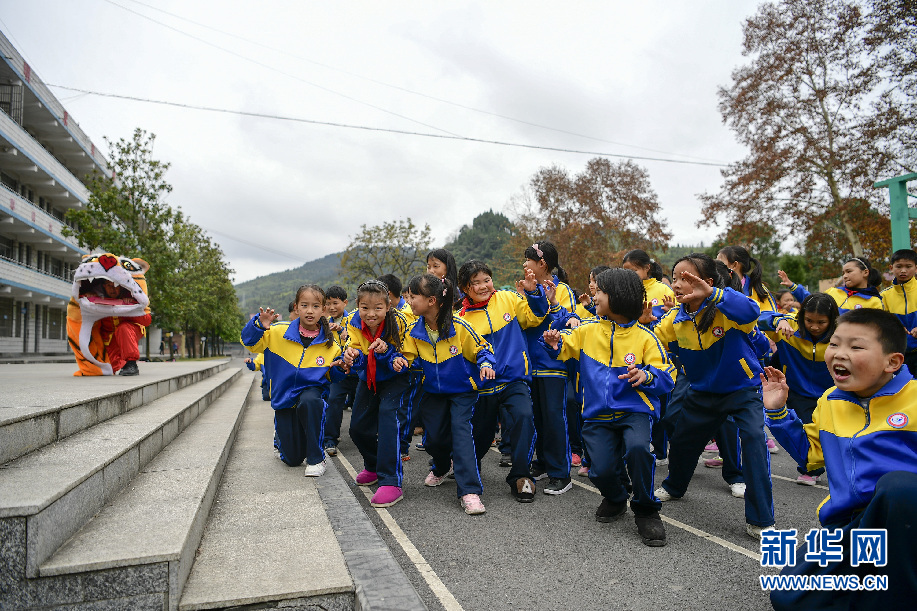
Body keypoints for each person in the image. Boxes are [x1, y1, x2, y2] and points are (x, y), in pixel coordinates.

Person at [763, 308, 917, 610]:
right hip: (850, 527)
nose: (839, 354)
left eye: (856, 346)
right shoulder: (830, 400)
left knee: (898, 487)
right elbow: (811, 459)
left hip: (904, 523)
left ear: (893, 361)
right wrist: (778, 413)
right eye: (834, 344)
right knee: (788, 597)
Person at [542, 268, 675, 546]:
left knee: (639, 451)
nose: (595, 294)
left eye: (600, 291)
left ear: (618, 297)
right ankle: (615, 496)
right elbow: (564, 346)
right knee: (599, 470)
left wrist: (646, 375)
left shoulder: (646, 337)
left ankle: (646, 510)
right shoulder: (587, 330)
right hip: (596, 415)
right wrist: (554, 344)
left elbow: (667, 374)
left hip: (634, 411)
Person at [652, 253, 775, 539]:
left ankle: (760, 519)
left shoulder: (727, 308)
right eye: (675, 278)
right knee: (682, 442)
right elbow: (654, 341)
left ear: (707, 282)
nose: (678, 284)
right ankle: (674, 486)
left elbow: (751, 312)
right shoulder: (676, 318)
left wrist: (716, 295)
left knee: (755, 445)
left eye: (686, 278)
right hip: (701, 393)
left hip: (742, 391)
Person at [394, 273, 496, 515]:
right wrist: (398, 360)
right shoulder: (413, 331)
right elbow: (406, 356)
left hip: (462, 392)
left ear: (431, 301)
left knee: (461, 435)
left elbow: (483, 348)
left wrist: (485, 364)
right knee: (434, 440)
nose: (409, 301)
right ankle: (441, 466)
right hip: (433, 393)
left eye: (414, 296)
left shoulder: (460, 327)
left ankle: (469, 491)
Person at [457, 260, 550, 502]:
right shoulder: (460, 319)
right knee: (479, 432)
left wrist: (533, 292)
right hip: (482, 386)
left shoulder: (508, 298)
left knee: (524, 417)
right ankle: (469, 470)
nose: (483, 286)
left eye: (486, 280)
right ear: (465, 288)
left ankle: (521, 476)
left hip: (514, 379)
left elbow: (536, 316)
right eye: (475, 283)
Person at [241, 285, 345, 476]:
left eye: (315, 306)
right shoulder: (277, 332)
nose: (310, 311)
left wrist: (342, 368)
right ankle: (282, 437)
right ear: (296, 308)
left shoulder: (331, 344)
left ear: (323, 310)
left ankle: (316, 458)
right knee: (292, 459)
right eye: (304, 305)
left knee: (311, 400)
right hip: (284, 398)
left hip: (310, 395)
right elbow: (249, 343)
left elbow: (334, 377)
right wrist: (257, 326)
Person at [342, 279, 413, 508]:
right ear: (357, 304)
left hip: (395, 378)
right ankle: (373, 466)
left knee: (387, 422)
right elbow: (355, 349)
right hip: (368, 377)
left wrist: (388, 352)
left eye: (378, 308)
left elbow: (407, 354)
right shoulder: (352, 320)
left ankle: (391, 481)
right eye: (365, 308)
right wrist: (351, 354)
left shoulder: (401, 322)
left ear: (388, 306)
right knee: (358, 428)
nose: (371, 314)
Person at [522, 241, 578, 495]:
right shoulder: (527, 287)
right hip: (530, 363)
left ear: (542, 263)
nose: (524, 264)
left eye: (528, 260)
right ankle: (543, 462)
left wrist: (549, 301)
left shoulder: (562, 289)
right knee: (538, 418)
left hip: (552, 363)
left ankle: (561, 473)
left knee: (555, 418)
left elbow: (566, 321)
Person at [771, 293, 839, 484]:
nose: (814, 326)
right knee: (806, 430)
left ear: (832, 320)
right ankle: (812, 468)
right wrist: (779, 319)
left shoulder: (842, 335)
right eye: (809, 320)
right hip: (798, 392)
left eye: (821, 322)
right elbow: (755, 316)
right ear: (801, 316)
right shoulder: (788, 327)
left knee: (831, 433)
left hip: (832, 393)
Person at [779, 257, 884, 314]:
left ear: (865, 272)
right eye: (843, 273)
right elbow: (812, 301)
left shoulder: (874, 302)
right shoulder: (833, 292)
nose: (845, 276)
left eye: (849, 271)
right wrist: (793, 286)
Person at [323, 285, 357, 456]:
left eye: (335, 303)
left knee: (361, 405)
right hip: (338, 373)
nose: (331, 307)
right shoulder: (324, 323)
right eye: (328, 303)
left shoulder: (353, 319)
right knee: (334, 400)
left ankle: (363, 436)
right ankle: (330, 439)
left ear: (345, 303)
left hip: (357, 371)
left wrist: (344, 330)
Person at [96, 280, 150, 376]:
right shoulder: (96, 300)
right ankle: (124, 363)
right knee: (105, 369)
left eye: (116, 286)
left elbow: (146, 321)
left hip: (130, 331)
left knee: (123, 328)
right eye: (109, 285)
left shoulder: (132, 297)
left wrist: (129, 308)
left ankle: (131, 363)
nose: (112, 289)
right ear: (104, 286)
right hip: (110, 338)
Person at [717, 245, 778, 328]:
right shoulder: (716, 289)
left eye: (720, 263)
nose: (716, 266)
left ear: (734, 265)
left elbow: (771, 318)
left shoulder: (758, 289)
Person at [881, 249, 917, 376]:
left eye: (908, 266)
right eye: (899, 266)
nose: (903, 270)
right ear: (891, 268)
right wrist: (895, 329)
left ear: (916, 268)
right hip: (898, 354)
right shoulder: (884, 296)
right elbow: (881, 323)